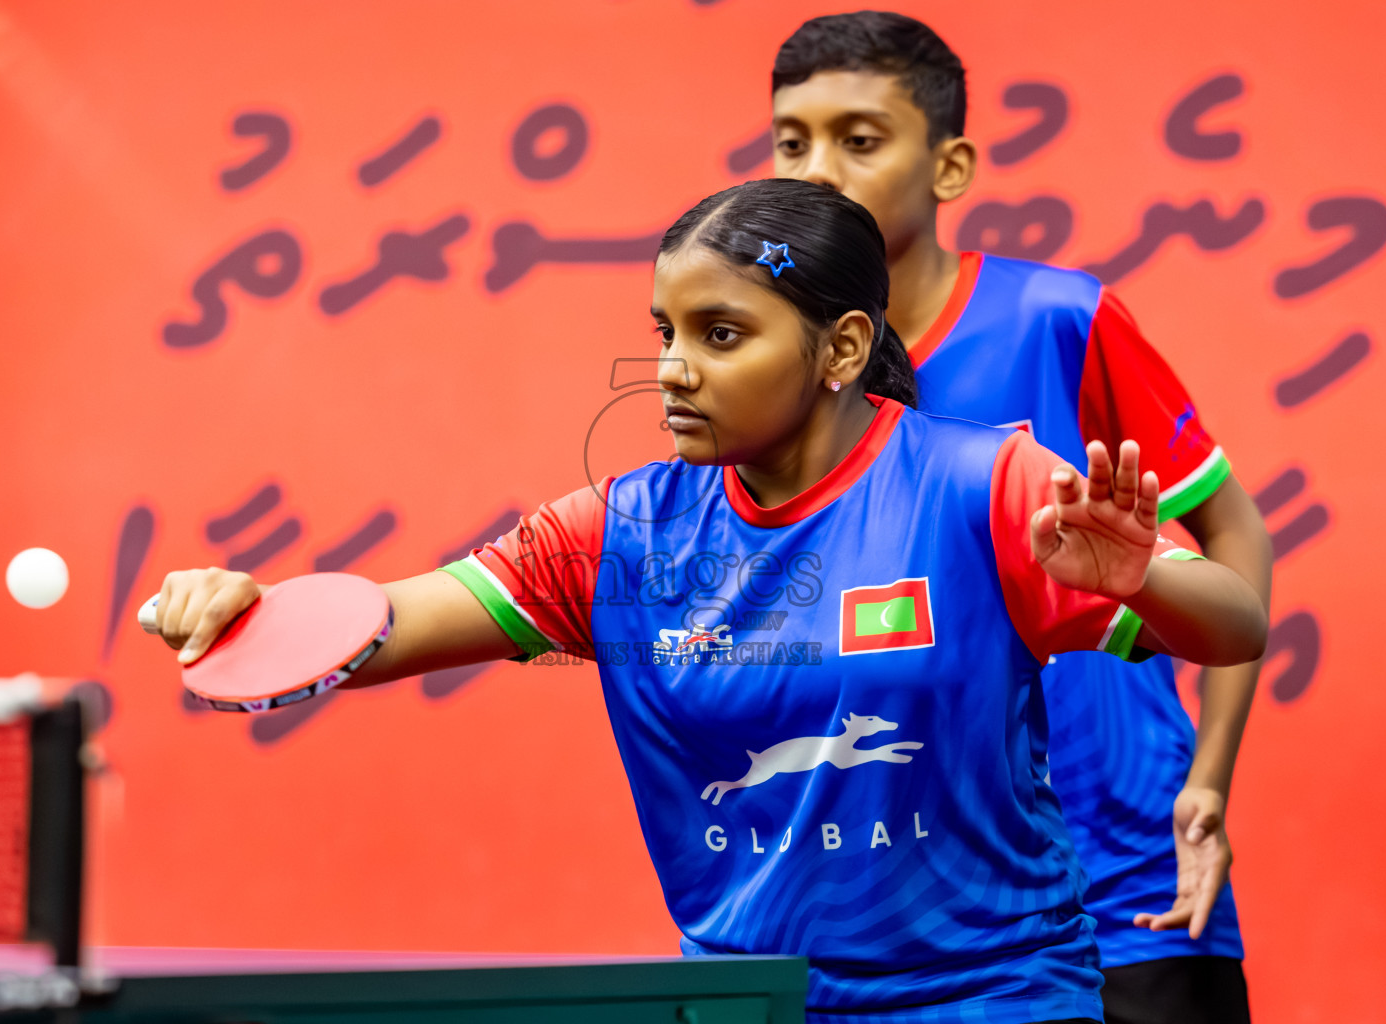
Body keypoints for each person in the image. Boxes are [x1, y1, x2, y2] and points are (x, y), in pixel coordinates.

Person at [152, 179, 1266, 1024]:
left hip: (991, 998)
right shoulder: (620, 532)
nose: (674, 369)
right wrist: (246, 607)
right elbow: (393, 620)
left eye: (720, 335)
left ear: (840, 348)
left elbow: (1235, 624)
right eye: (666, 332)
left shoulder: (983, 486)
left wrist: (1144, 577)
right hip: (748, 1001)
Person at [766, 13, 1275, 1023]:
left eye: (859, 140)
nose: (817, 171)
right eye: (791, 141)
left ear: (949, 167)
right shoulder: (776, 375)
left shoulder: (1059, 319)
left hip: (1126, 881)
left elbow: (1235, 531)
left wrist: (1208, 785)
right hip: (915, 913)